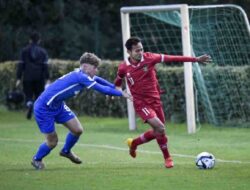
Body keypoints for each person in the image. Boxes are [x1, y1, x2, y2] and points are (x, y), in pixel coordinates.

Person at [114, 37, 211, 168]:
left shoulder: (150, 58)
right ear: (129, 52)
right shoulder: (123, 67)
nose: (141, 52)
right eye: (137, 50)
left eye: (142, 49)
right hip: (140, 103)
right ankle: (168, 158)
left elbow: (174, 58)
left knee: (159, 131)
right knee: (160, 128)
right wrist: (121, 92)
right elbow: (117, 84)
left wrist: (196, 60)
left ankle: (134, 143)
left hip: (155, 100)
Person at [31, 52, 132, 170]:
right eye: (94, 68)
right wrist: (121, 93)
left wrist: (116, 88)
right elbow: (100, 88)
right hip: (44, 108)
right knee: (52, 142)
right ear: (85, 66)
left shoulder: (82, 74)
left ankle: (66, 151)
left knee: (77, 130)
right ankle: (36, 159)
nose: (96, 70)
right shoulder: (80, 77)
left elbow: (100, 81)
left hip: (58, 106)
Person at [16, 31, 50, 119]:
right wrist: (47, 78)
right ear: (39, 40)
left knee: (28, 95)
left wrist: (18, 78)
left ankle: (29, 104)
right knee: (39, 96)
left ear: (30, 40)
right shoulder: (43, 52)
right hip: (40, 77)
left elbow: (21, 65)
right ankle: (39, 113)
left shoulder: (24, 51)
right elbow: (45, 66)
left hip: (27, 76)